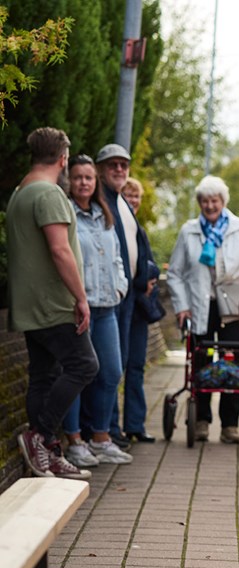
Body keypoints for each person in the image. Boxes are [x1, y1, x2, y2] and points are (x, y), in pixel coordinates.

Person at [6, 127, 97, 480]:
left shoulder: (20, 193)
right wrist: (81, 298)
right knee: (84, 366)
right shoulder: (49, 194)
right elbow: (60, 250)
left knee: (44, 376)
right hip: (54, 305)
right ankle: (39, 436)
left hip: (30, 304)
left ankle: (46, 452)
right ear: (62, 158)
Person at [168, 175, 239, 443]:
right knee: (202, 362)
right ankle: (201, 421)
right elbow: (175, 273)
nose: (210, 206)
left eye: (215, 200)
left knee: (234, 364)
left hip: (234, 308)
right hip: (200, 306)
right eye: (205, 201)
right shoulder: (189, 231)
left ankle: (230, 425)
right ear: (199, 203)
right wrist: (182, 306)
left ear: (223, 202)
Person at [60, 154, 133, 468]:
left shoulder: (105, 214)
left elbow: (116, 257)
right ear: (69, 180)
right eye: (78, 177)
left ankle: (101, 439)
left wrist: (120, 287)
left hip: (107, 307)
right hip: (80, 308)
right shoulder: (66, 214)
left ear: (95, 181)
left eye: (88, 178)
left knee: (111, 372)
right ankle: (75, 442)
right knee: (76, 374)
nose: (84, 183)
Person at [96, 143, 158, 445]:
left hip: (133, 297)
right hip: (117, 296)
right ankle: (108, 430)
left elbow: (138, 249)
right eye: (113, 165)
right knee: (111, 366)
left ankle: (129, 426)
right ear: (101, 169)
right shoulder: (103, 201)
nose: (120, 170)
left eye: (124, 165)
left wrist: (149, 274)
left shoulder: (121, 203)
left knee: (130, 364)